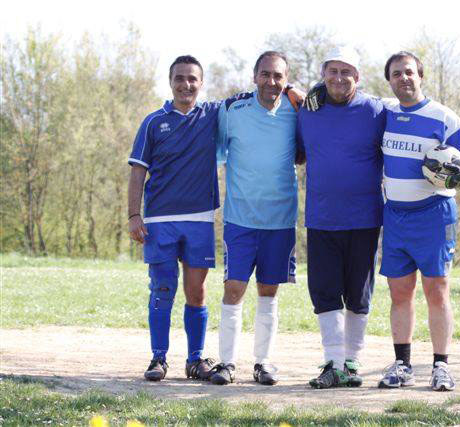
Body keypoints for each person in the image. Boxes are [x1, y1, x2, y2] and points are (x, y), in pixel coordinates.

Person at [376, 51, 460, 391]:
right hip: (395, 216)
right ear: (390, 80)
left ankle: (441, 366)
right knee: (399, 293)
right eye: (396, 74)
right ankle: (402, 365)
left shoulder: (442, 116)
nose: (403, 78)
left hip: (434, 215)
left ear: (420, 76)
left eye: (409, 72)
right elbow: (346, 98)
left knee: (436, 291)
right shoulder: (384, 113)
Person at [209, 51, 303, 386]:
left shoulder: (297, 110)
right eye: (265, 75)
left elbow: (307, 151)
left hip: (280, 219)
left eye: (278, 76)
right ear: (254, 76)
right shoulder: (232, 110)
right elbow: (216, 154)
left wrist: (302, 98)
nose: (271, 82)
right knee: (233, 288)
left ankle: (263, 363)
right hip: (240, 219)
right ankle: (226, 363)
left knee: (268, 291)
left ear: (286, 79)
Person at [297, 46, 386, 389]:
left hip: (364, 217)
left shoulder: (376, 111)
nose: (338, 78)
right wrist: (300, 93)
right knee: (324, 291)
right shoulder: (307, 110)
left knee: (358, 293)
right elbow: (299, 151)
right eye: (332, 71)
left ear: (358, 77)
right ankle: (332, 361)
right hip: (321, 216)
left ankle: (351, 362)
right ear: (323, 75)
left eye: (345, 71)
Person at [127, 55, 220, 382]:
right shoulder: (154, 121)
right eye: (180, 78)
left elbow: (252, 97)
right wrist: (134, 214)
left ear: (201, 83)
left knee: (196, 292)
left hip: (200, 220)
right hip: (160, 221)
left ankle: (195, 360)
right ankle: (158, 358)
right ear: (171, 82)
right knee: (163, 289)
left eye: (193, 79)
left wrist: (292, 90)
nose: (186, 84)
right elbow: (138, 170)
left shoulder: (213, 116)